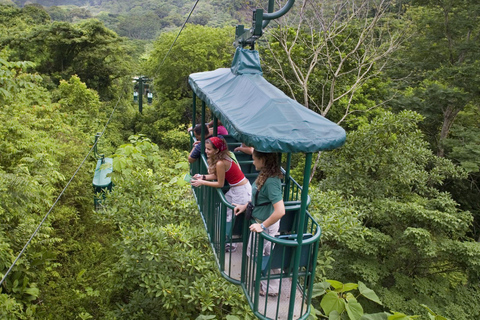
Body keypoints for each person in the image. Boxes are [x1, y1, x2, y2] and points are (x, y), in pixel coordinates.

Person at [233, 151, 285, 297]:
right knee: (261, 253)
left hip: (264, 226)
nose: (253, 162)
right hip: (260, 221)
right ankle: (268, 285)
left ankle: (270, 288)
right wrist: (245, 206)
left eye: (255, 159)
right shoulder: (265, 174)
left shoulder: (272, 181)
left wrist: (262, 226)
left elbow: (280, 210)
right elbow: (259, 197)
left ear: (263, 160)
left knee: (261, 254)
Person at [191, 137, 252, 252]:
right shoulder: (223, 157)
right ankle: (224, 239)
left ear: (217, 150)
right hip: (237, 189)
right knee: (221, 211)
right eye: (205, 148)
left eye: (209, 149)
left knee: (228, 215)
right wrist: (202, 176)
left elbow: (220, 183)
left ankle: (229, 244)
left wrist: (202, 182)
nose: (206, 151)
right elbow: (218, 176)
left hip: (241, 191)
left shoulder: (220, 162)